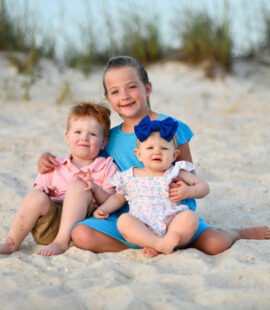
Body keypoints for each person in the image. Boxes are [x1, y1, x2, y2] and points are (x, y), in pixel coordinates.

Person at [38, 56, 270, 255]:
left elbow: (189, 173)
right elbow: (83, 158)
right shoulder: (110, 137)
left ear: (147, 88)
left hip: (172, 215)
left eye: (132, 87)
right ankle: (150, 244)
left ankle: (234, 233)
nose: (125, 96)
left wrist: (185, 190)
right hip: (131, 218)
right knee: (81, 234)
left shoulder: (172, 127)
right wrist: (49, 159)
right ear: (108, 99)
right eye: (115, 91)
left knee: (216, 244)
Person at [0, 102, 118, 255]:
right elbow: (34, 198)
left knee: (79, 185)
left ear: (104, 143)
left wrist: (94, 188)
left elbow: (111, 202)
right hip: (49, 224)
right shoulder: (54, 165)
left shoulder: (106, 166)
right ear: (67, 137)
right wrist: (44, 192)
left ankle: (61, 243)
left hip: (79, 226)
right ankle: (12, 242)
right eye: (78, 132)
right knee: (36, 195)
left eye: (92, 134)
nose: (84, 138)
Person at [92, 116, 210, 257]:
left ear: (174, 155)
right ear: (139, 154)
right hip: (142, 225)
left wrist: (190, 191)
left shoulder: (176, 171)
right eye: (150, 147)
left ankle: (163, 243)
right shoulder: (130, 175)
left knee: (190, 217)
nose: (157, 152)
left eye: (164, 148)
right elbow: (118, 198)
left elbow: (204, 187)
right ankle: (157, 243)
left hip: (172, 224)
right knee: (124, 221)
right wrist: (103, 209)